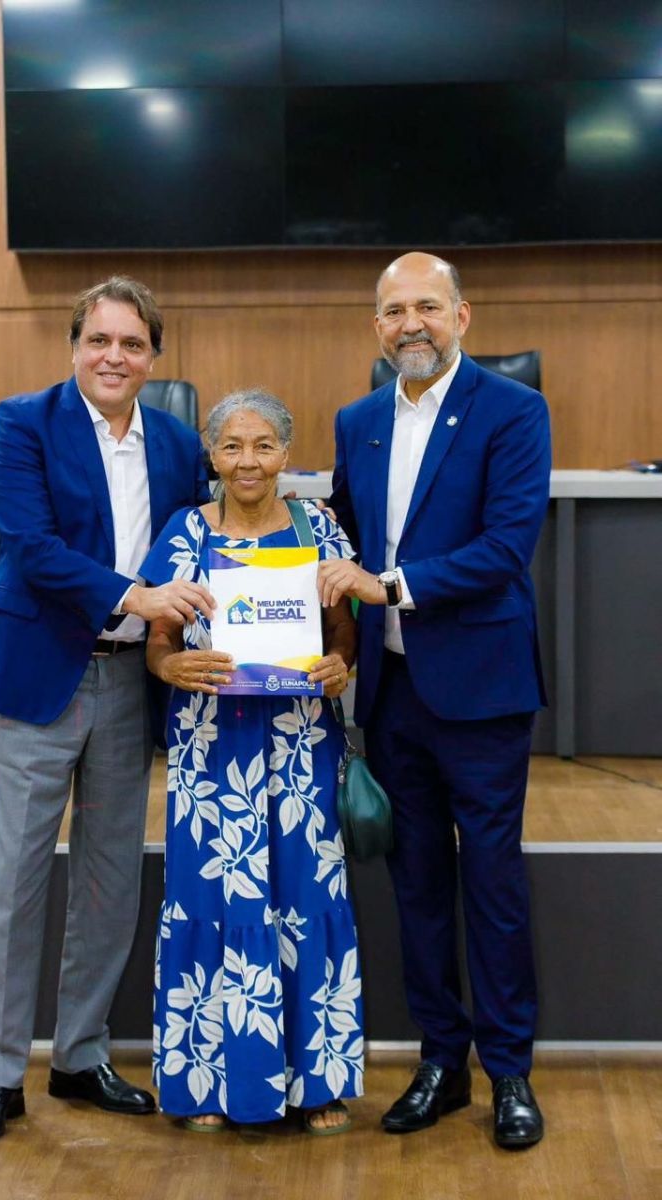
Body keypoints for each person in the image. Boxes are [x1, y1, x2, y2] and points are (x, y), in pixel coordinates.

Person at [0, 276, 214, 1146]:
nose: (114, 356)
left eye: (132, 344)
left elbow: (213, 532)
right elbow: (30, 548)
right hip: (38, 674)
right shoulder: (23, 423)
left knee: (108, 879)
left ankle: (79, 1054)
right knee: (17, 880)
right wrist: (135, 596)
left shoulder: (176, 442)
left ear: (154, 357)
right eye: (99, 340)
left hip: (131, 683)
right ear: (74, 346)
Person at [318, 252, 550, 1149]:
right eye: (392, 310)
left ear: (461, 315)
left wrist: (388, 586)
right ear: (375, 326)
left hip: (481, 691)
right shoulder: (357, 420)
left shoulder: (513, 410)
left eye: (425, 305)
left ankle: (510, 1070)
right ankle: (440, 1063)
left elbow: (505, 546)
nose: (408, 323)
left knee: (491, 880)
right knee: (414, 883)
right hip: (392, 693)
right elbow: (339, 540)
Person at [141, 388, 363, 1134]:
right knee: (209, 901)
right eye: (232, 445)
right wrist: (169, 668)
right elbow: (159, 641)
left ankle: (317, 1084)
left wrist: (340, 663)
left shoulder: (318, 528)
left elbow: (343, 629)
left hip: (299, 745)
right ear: (211, 454)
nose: (247, 461)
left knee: (306, 896)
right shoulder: (183, 532)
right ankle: (207, 1085)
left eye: (263, 445)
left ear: (285, 454)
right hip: (210, 749)